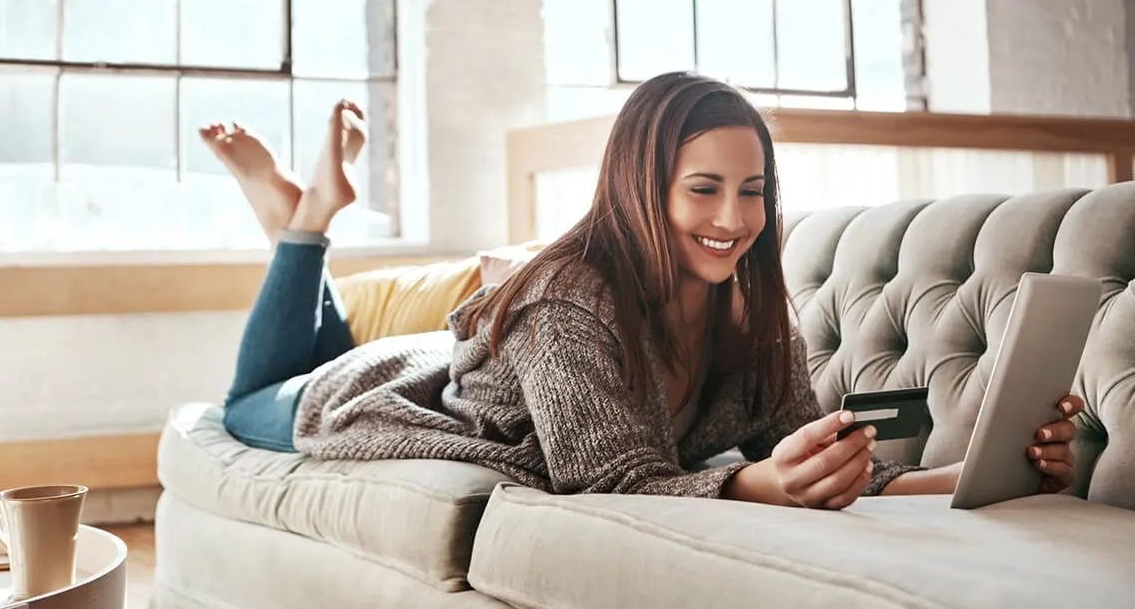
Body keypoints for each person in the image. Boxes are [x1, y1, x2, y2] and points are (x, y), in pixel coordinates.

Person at [201, 73, 1083, 509]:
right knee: (244, 399)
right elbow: (610, 481)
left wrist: (972, 476)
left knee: (304, 342)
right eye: (703, 189)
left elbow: (797, 446)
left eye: (753, 191)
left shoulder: (751, 304)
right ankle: (305, 223)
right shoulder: (567, 296)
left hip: (461, 363)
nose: (734, 218)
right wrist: (755, 487)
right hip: (381, 395)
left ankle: (294, 222)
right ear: (641, 184)